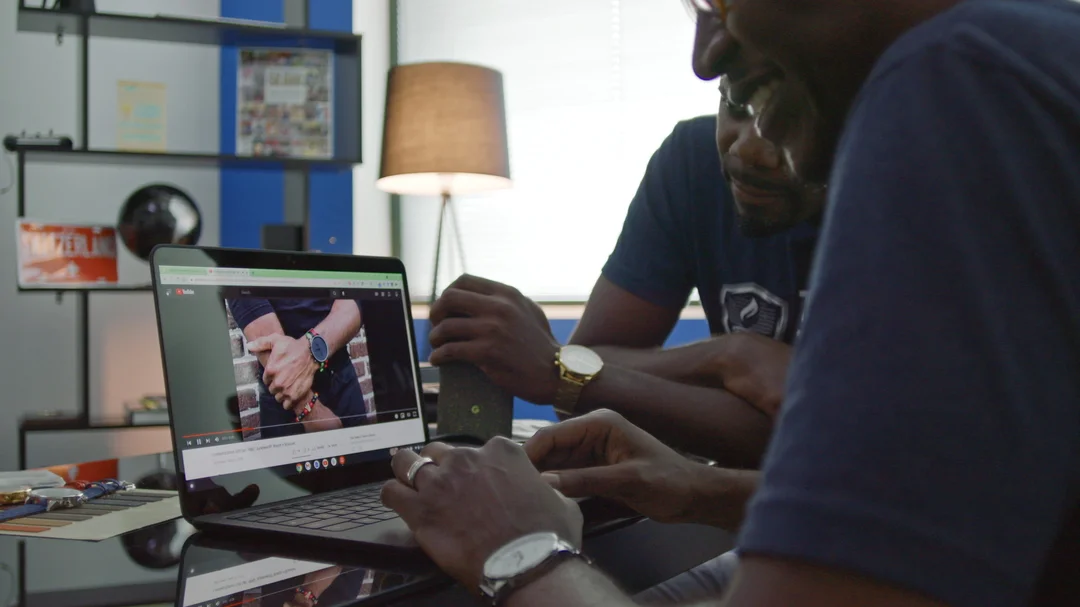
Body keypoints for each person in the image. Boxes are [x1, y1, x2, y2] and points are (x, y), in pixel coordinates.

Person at [383, 0, 1080, 605]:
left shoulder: (962, 84)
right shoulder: (1035, 55)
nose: (706, 56)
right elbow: (957, 512)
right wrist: (700, 480)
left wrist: (521, 550)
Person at [427, 22, 828, 468]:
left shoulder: (904, 189)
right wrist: (729, 356)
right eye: (737, 101)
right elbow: (584, 372)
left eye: (790, 116)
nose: (750, 149)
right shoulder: (693, 165)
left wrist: (562, 372)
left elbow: (833, 442)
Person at [227, 298, 368, 438]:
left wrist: (310, 350)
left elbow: (353, 300)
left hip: (343, 380)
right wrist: (308, 409)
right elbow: (247, 303)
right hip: (287, 401)